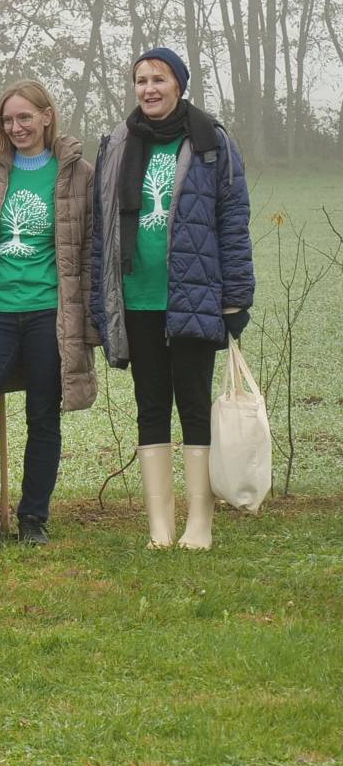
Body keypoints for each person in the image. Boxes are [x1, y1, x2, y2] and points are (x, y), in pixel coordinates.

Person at [91, 48, 252, 550]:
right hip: (137, 297)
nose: (149, 89)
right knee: (151, 403)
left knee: (194, 404)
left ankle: (199, 523)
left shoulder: (211, 142)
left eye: (159, 79)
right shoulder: (118, 142)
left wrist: (236, 298)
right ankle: (160, 527)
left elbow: (233, 221)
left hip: (194, 294)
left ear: (179, 84)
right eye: (141, 80)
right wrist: (103, 300)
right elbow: (100, 228)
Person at [0, 81, 97, 546]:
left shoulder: (77, 173)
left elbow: (89, 249)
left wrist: (88, 321)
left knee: (43, 417)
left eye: (25, 117)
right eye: (8, 120)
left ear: (47, 116)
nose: (16, 128)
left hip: (51, 316)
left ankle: (34, 519)